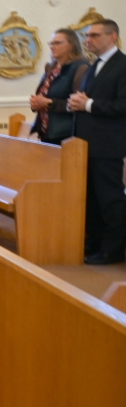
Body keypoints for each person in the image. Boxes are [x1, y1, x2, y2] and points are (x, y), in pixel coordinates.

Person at [68, 19, 126, 265]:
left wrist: (88, 104)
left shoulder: (122, 65)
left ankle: (113, 250)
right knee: (91, 197)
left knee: (109, 198)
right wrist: (77, 102)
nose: (88, 40)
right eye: (87, 36)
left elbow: (122, 104)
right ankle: (96, 243)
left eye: (94, 35)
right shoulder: (95, 65)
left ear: (112, 36)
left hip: (107, 144)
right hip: (86, 144)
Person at [29, 28, 89, 145]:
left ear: (72, 45)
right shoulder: (52, 68)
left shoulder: (80, 68)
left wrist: (49, 103)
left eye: (57, 43)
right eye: (51, 43)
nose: (52, 46)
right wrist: (36, 103)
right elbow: (44, 93)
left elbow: (78, 103)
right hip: (47, 132)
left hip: (66, 133)